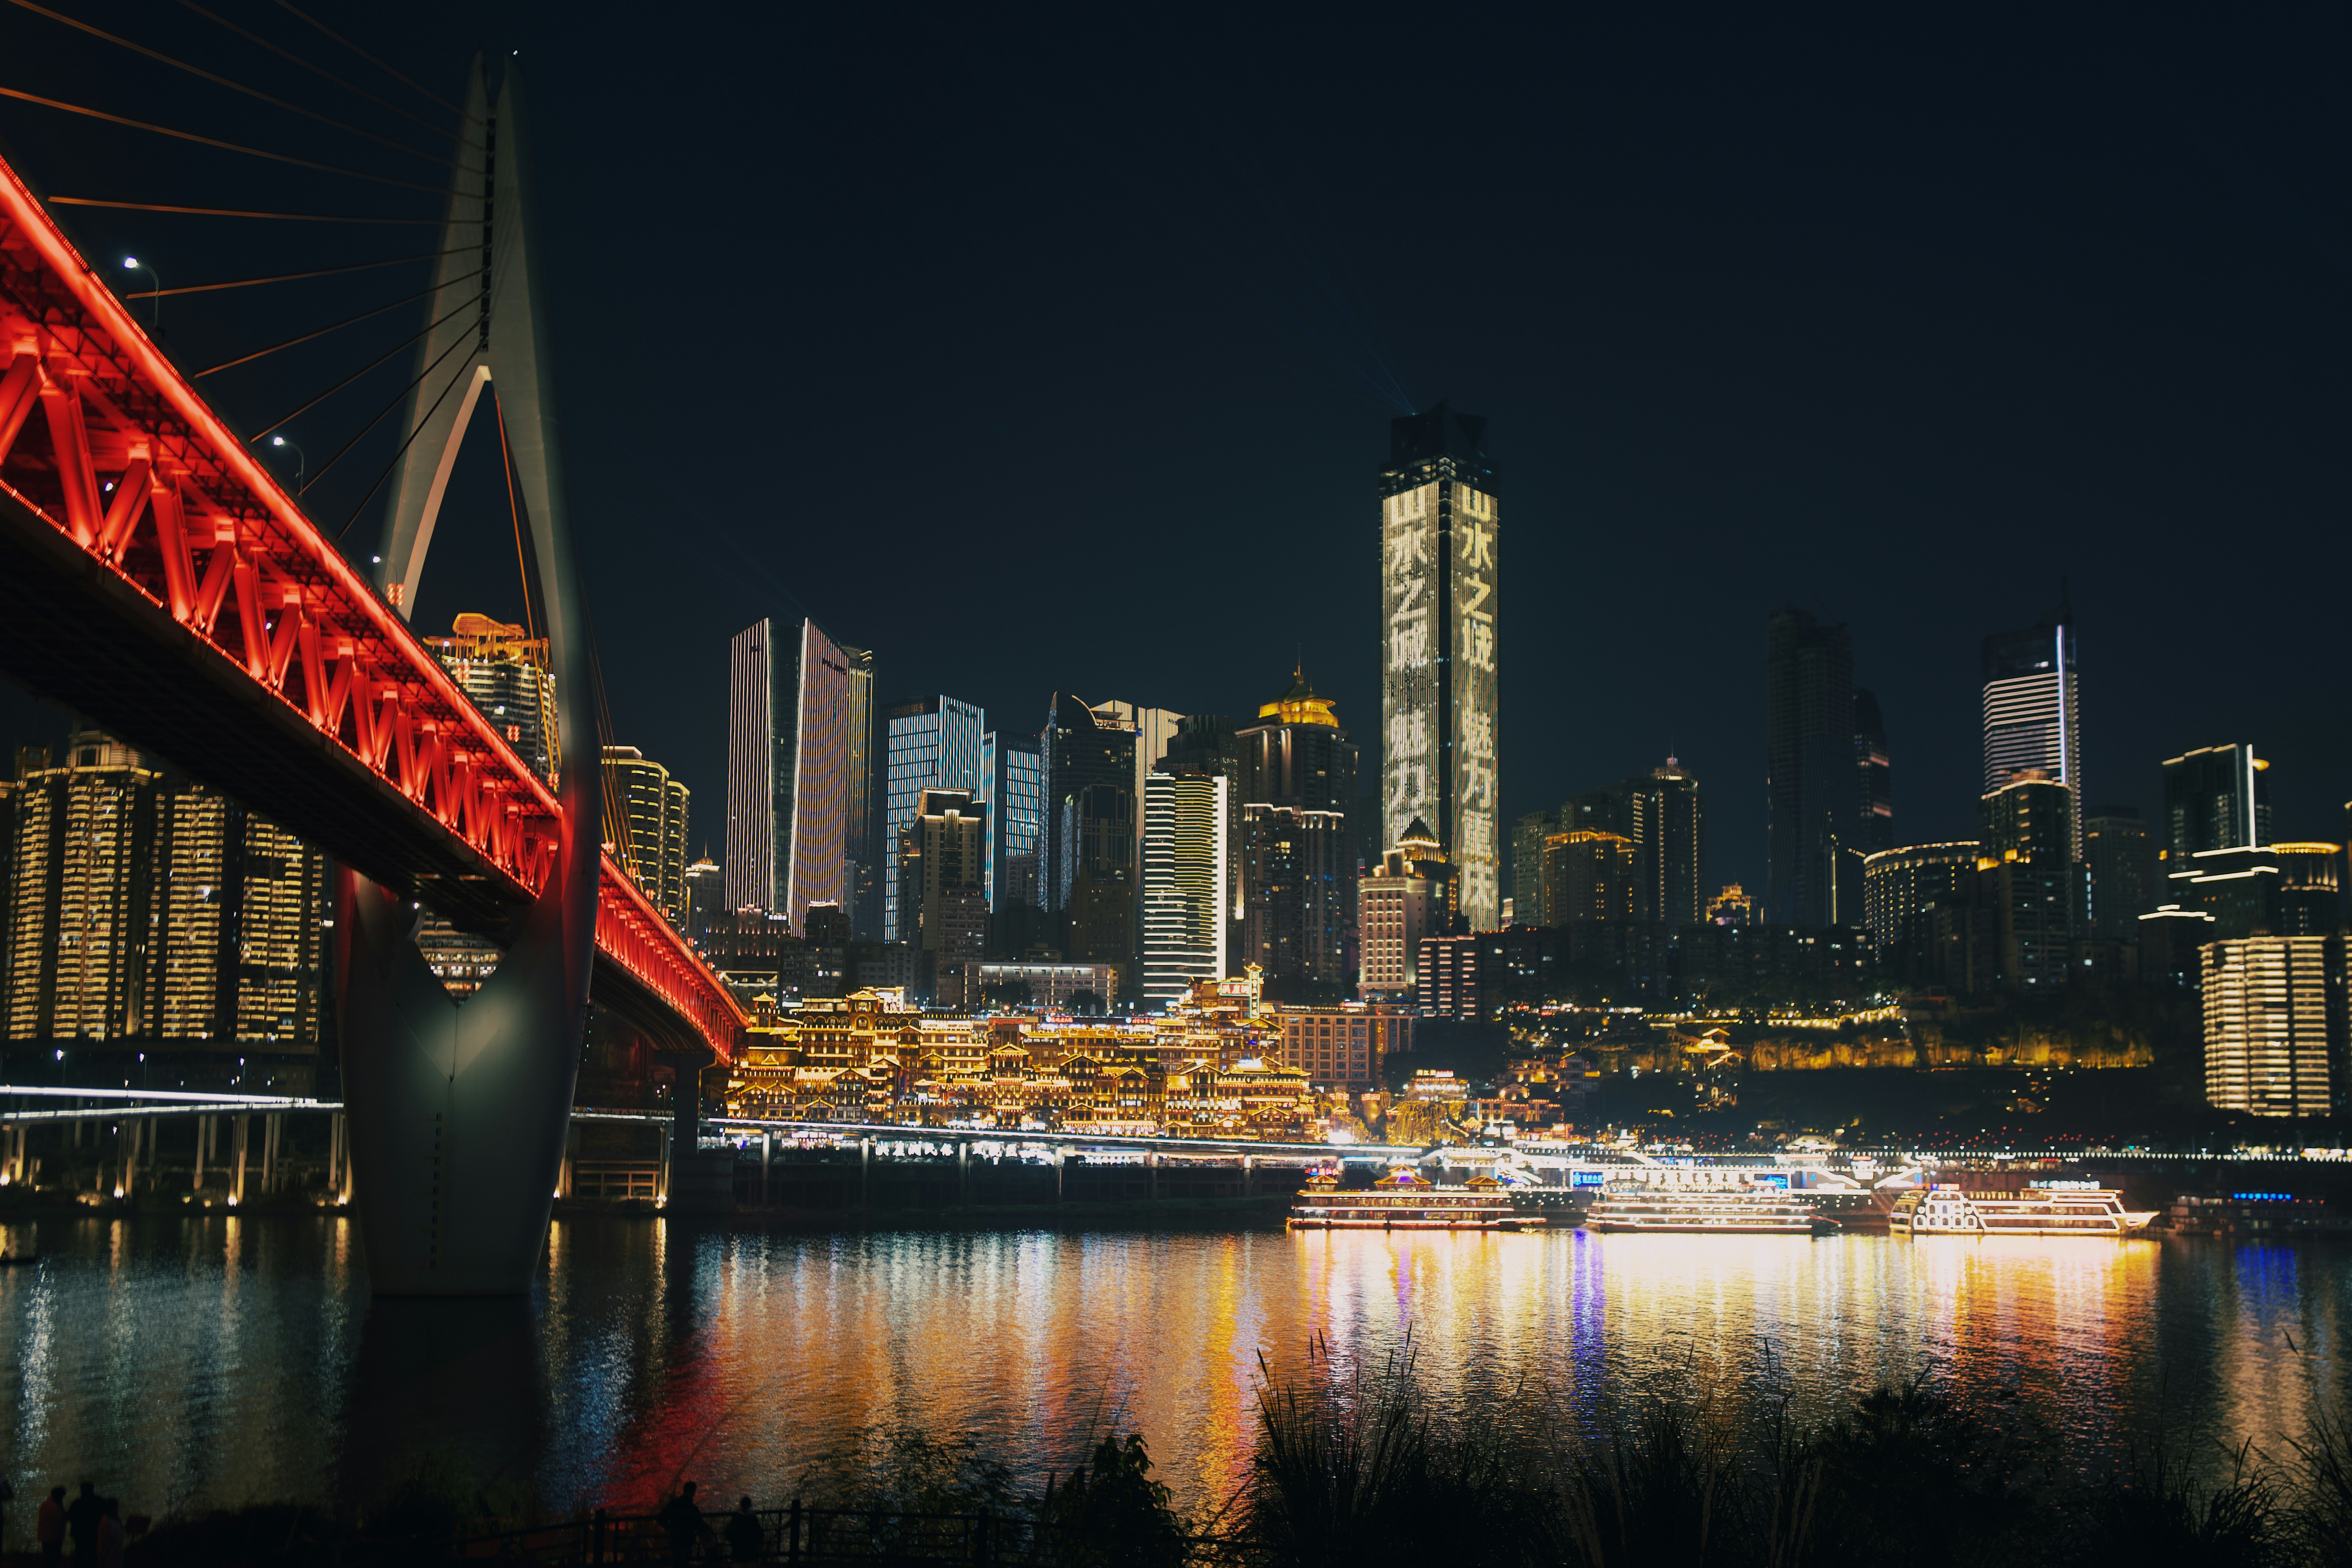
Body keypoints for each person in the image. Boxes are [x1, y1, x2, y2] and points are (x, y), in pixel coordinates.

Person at [655, 1481, 710, 1566]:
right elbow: (699, 1523)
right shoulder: (692, 1508)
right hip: (688, 1538)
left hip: (676, 1538)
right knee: (685, 1561)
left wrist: (669, 1527)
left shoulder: (674, 1505)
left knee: (678, 1561)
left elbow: (661, 1518)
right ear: (693, 1492)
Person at [63, 1483, 100, 1568]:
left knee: (80, 1555)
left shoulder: (77, 1504)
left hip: (80, 1535)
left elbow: (68, 1517)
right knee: (93, 1555)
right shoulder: (99, 1502)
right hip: (94, 1533)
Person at [724, 1497, 763, 1563]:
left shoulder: (735, 1518)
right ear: (750, 1505)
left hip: (738, 1552)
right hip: (751, 1552)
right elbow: (760, 1535)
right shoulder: (753, 1519)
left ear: (741, 1505)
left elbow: (729, 1534)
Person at [37, 1486, 64, 1562]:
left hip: (48, 1537)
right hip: (52, 1537)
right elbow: (59, 1520)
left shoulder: (47, 1505)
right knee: (53, 1559)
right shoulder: (53, 1507)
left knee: (49, 1558)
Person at [93, 1500, 122, 1568]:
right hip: (109, 1554)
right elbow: (114, 1537)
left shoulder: (109, 1520)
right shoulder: (108, 1522)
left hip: (112, 1554)